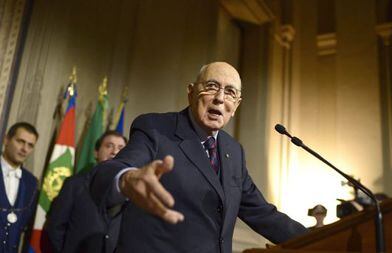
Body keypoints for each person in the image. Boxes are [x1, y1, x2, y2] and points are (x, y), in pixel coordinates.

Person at [90, 62, 308, 253]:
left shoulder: (234, 151)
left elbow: (263, 214)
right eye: (212, 87)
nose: (220, 99)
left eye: (230, 92)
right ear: (191, 92)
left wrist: (319, 239)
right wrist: (126, 179)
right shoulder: (156, 129)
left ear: (236, 106)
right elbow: (111, 170)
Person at [45, 130, 127, 253]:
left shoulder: (129, 191)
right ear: (96, 152)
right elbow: (55, 227)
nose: (115, 151)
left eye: (121, 148)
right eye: (109, 146)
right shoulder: (74, 184)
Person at [0, 122, 38, 253]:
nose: (24, 149)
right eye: (20, 141)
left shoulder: (32, 183)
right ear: (6, 140)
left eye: (30, 145)